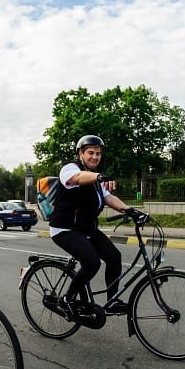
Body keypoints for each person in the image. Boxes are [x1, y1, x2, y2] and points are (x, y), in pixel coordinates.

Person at [49, 134, 134, 317]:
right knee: (92, 262)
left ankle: (111, 301)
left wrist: (129, 210)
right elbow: (78, 178)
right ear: (81, 153)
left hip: (86, 228)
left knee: (114, 257)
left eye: (98, 154)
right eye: (90, 153)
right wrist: (99, 176)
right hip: (64, 229)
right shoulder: (70, 169)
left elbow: (108, 197)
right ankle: (67, 299)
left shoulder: (96, 181)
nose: (95, 157)